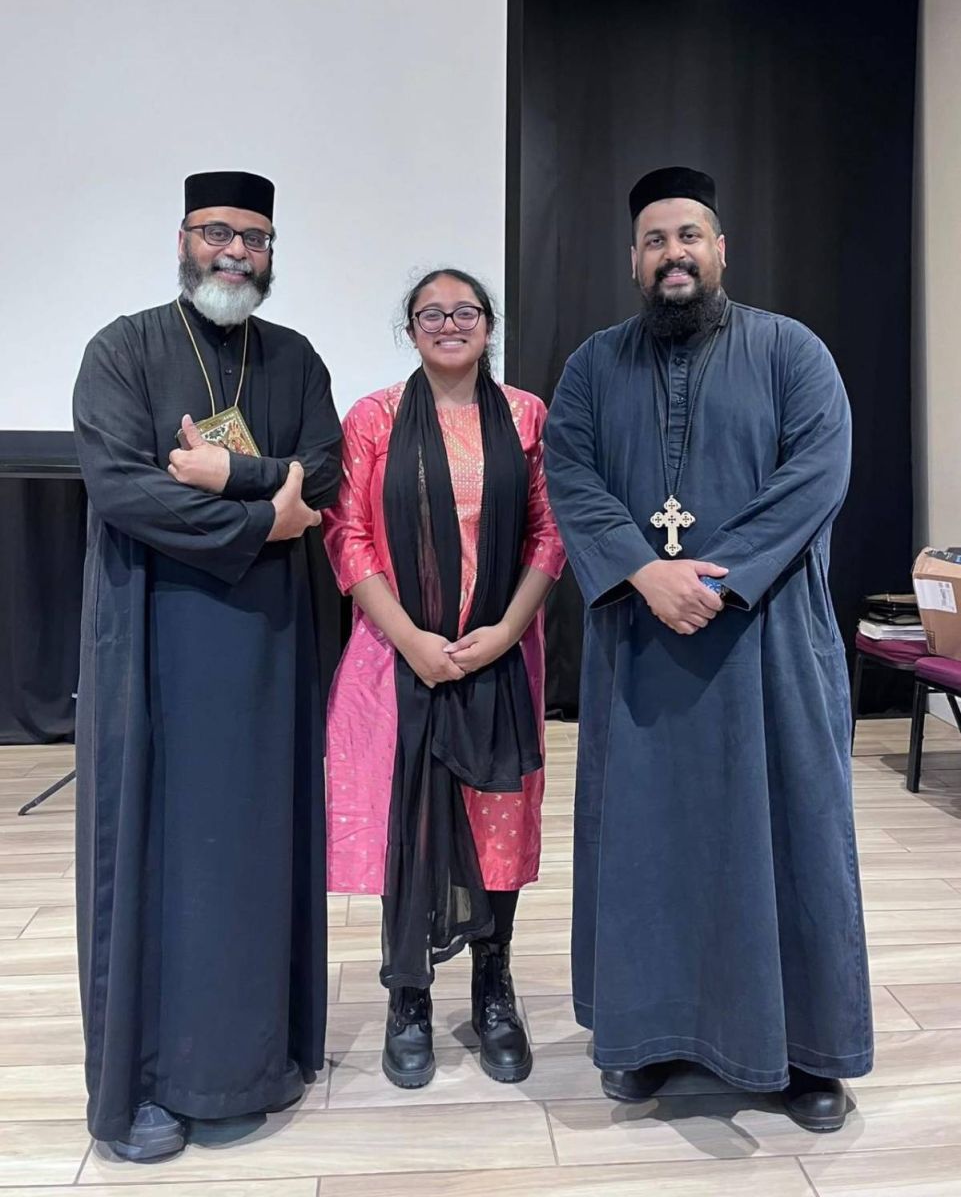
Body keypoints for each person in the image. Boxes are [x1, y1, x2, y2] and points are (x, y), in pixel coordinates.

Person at [543, 167, 873, 1132]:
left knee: (790, 835)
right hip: (643, 648)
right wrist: (644, 573)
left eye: (688, 235)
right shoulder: (592, 367)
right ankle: (647, 1037)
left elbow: (817, 474)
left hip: (768, 645)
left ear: (720, 249)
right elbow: (570, 475)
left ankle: (806, 1052)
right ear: (633, 260)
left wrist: (715, 581)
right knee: (646, 844)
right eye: (654, 240)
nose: (672, 253)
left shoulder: (791, 351)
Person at [73, 170, 343, 1160]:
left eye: (254, 238)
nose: (235, 251)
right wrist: (265, 518)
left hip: (267, 645)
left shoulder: (295, 357)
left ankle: (251, 1065)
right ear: (183, 239)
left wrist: (236, 474)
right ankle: (148, 1082)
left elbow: (328, 471)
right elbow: (119, 486)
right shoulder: (123, 349)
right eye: (217, 232)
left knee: (256, 849)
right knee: (160, 855)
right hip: (154, 640)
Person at [323, 268, 565, 1088]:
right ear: (411, 330)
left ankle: (493, 985)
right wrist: (411, 639)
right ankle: (409, 995)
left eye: (465, 312)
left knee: (498, 822)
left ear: (488, 326)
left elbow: (550, 531)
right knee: (410, 824)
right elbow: (347, 535)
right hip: (397, 659)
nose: (448, 324)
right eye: (431, 314)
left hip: (501, 657)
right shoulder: (373, 418)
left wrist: (507, 631)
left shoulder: (527, 417)